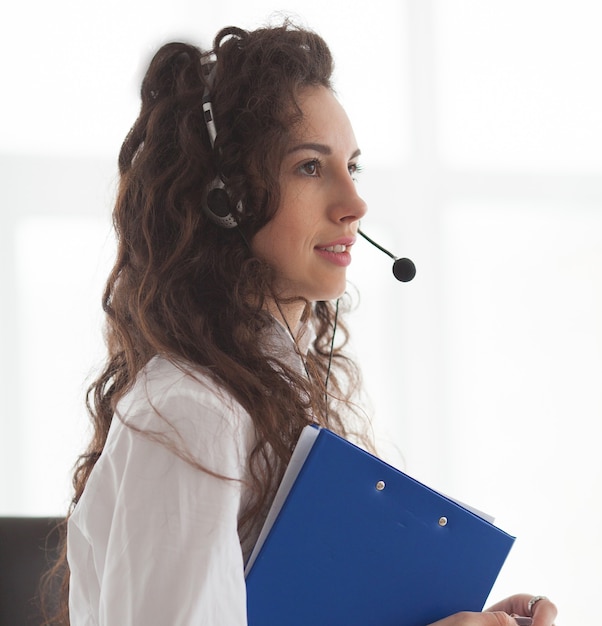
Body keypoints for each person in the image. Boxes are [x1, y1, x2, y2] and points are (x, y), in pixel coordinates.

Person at [45, 20, 557, 626]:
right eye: (311, 167)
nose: (355, 203)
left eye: (352, 166)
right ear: (224, 197)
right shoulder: (191, 414)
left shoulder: (259, 394)